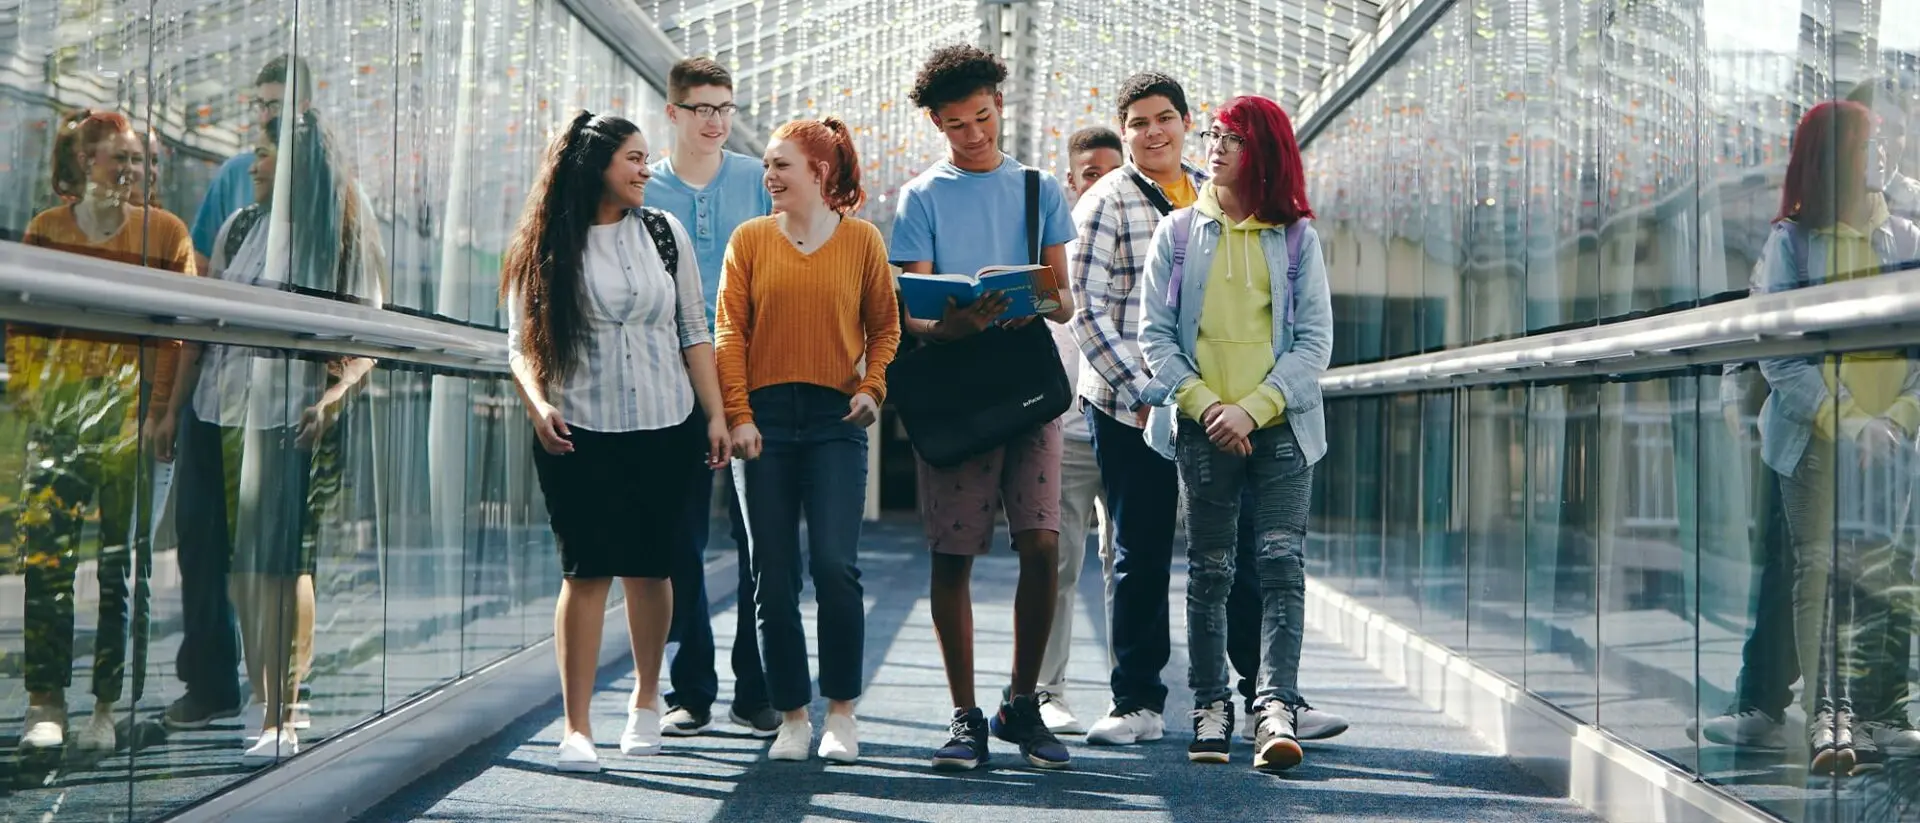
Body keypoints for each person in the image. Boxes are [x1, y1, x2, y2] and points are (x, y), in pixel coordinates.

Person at [502, 111, 730, 774]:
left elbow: (694, 329)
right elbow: (519, 346)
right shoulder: (545, 243)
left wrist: (714, 416)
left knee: (652, 567)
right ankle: (575, 726)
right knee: (586, 569)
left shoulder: (665, 233)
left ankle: (645, 699)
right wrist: (539, 404)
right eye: (633, 157)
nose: (645, 170)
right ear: (595, 163)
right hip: (578, 427)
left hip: (667, 422)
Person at [163, 110, 384, 764]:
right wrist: (174, 410)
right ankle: (263, 697)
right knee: (234, 565)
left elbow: (368, 336)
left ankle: (282, 706)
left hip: (289, 417)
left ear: (294, 167)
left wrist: (332, 398)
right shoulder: (239, 226)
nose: (252, 166)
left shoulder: (340, 236)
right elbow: (203, 325)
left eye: (262, 155)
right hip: (217, 412)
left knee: (281, 564)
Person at [890, 44, 1076, 771]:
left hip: (1029, 385)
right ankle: (964, 716)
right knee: (953, 552)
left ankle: (1021, 703)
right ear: (938, 124)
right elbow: (917, 310)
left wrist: (1036, 301)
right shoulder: (921, 197)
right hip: (959, 389)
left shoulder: (1039, 187)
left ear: (1001, 106)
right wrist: (954, 325)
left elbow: (1063, 299)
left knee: (1042, 543)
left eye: (985, 118)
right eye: (959, 124)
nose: (976, 134)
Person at [1138, 95, 1333, 771]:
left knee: (1281, 568)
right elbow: (1155, 338)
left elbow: (1314, 343)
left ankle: (1274, 705)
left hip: (1280, 432)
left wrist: (1253, 407)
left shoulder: (1298, 239)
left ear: (1265, 153)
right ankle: (1211, 703)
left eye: (1233, 138)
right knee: (1211, 570)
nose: (1214, 147)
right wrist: (1205, 406)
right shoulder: (1181, 232)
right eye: (1215, 134)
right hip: (1202, 429)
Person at [715, 118, 900, 762]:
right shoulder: (750, 240)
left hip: (835, 422)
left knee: (834, 566)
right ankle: (793, 715)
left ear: (819, 173)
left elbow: (886, 326)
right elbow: (728, 334)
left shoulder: (864, 243)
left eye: (780, 165)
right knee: (772, 572)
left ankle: (841, 711)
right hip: (762, 419)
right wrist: (738, 414)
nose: (769, 176)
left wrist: (871, 388)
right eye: (767, 165)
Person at [12, 108, 195, 755]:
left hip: (131, 416)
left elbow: (182, 327)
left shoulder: (165, 232)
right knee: (49, 560)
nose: (132, 170)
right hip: (63, 415)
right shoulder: (48, 230)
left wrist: (163, 409)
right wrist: (32, 398)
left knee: (120, 567)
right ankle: (45, 701)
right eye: (120, 157)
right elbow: (25, 323)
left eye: (139, 160)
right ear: (86, 160)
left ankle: (106, 706)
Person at [1755, 100, 1920, 777]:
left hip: (1893, 437)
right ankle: (1830, 715)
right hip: (1814, 435)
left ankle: (1884, 712)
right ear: (1831, 160)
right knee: (1821, 568)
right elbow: (1779, 357)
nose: (1879, 158)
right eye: (1865, 147)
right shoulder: (1790, 244)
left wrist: (1897, 419)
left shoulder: (1906, 237)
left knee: (1887, 570)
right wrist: (1846, 417)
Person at [644, 57, 779, 739]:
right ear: (673, 113)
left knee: (757, 538)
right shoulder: (645, 188)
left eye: (725, 108)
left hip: (752, 384)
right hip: (672, 388)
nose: (717, 121)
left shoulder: (759, 180)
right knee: (680, 540)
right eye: (702, 108)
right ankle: (690, 686)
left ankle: (754, 688)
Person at [1029, 126, 1124, 736]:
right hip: (1064, 431)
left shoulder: (1144, 243)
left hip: (1127, 424)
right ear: (1071, 180)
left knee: (1127, 563)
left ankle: (1131, 694)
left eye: (1112, 173)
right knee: (1057, 563)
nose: (1101, 184)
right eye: (1089, 173)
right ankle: (1046, 693)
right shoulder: (1047, 259)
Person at [188, 55, 310, 277]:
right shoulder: (234, 173)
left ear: (304, 107)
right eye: (260, 105)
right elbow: (202, 258)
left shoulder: (331, 185)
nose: (264, 117)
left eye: (275, 106)